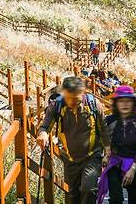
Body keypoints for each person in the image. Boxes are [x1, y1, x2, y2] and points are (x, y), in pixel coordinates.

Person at [37, 76, 111, 204]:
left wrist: (107, 152)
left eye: (75, 98)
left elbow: (103, 129)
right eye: (68, 98)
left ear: (82, 93)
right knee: (73, 195)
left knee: (88, 189)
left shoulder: (93, 105)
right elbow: (45, 126)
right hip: (70, 159)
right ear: (63, 93)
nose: (71, 101)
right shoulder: (57, 106)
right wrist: (43, 134)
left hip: (92, 156)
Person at [97, 85, 136, 204]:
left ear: (133, 103)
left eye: (128, 101)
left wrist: (133, 169)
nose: (125, 104)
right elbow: (103, 140)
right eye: (121, 101)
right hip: (115, 163)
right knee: (116, 199)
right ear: (116, 104)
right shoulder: (109, 121)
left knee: (135, 201)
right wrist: (105, 155)